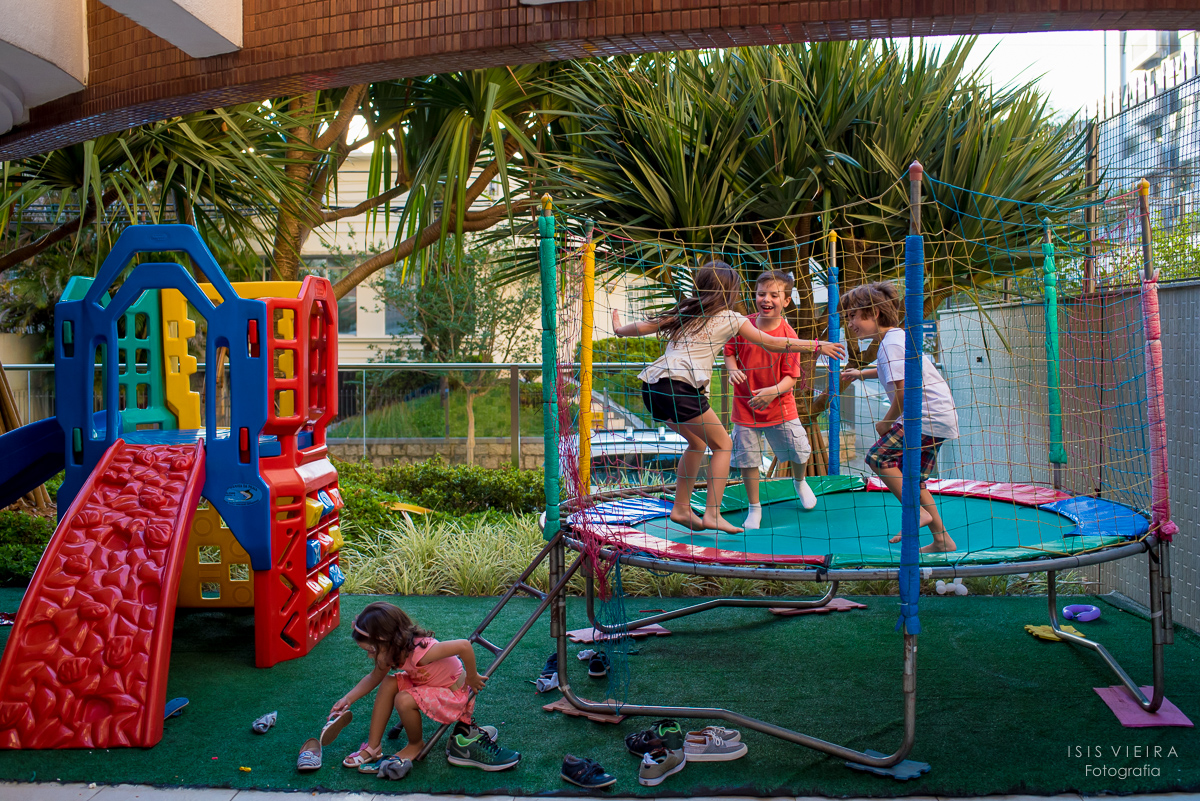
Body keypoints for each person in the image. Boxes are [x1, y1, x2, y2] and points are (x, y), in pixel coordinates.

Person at [612, 261, 845, 534]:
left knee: (697, 443)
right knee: (723, 445)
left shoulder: (685, 311)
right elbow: (772, 342)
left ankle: (681, 508)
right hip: (681, 388)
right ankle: (712, 514)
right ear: (731, 292)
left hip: (652, 387)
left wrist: (618, 328)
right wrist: (817, 345)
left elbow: (644, 326)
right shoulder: (732, 318)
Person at [839, 282, 960, 553]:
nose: (850, 323)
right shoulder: (895, 339)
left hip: (925, 416)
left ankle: (916, 512)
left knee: (877, 457)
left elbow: (904, 393)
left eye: (853, 316)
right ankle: (942, 540)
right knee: (912, 479)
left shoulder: (890, 345)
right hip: (938, 416)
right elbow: (892, 370)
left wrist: (886, 421)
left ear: (874, 313)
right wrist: (861, 373)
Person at [333, 602, 519, 773]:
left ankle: (415, 744)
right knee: (388, 682)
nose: (370, 656)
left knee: (403, 699)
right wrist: (348, 698)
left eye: (372, 650)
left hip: (454, 696)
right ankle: (373, 747)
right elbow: (374, 677)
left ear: (388, 640)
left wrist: (472, 676)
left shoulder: (422, 652)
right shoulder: (393, 652)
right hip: (428, 684)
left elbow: (464, 646)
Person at [723, 270, 819, 529]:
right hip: (746, 406)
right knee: (748, 460)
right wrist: (732, 369)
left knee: (800, 450)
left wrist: (772, 392)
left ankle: (799, 481)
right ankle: (754, 507)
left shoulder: (789, 336)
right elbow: (729, 352)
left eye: (774, 295)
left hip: (780, 406)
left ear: (786, 301)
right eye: (761, 294)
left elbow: (791, 377)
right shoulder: (743, 325)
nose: (766, 299)